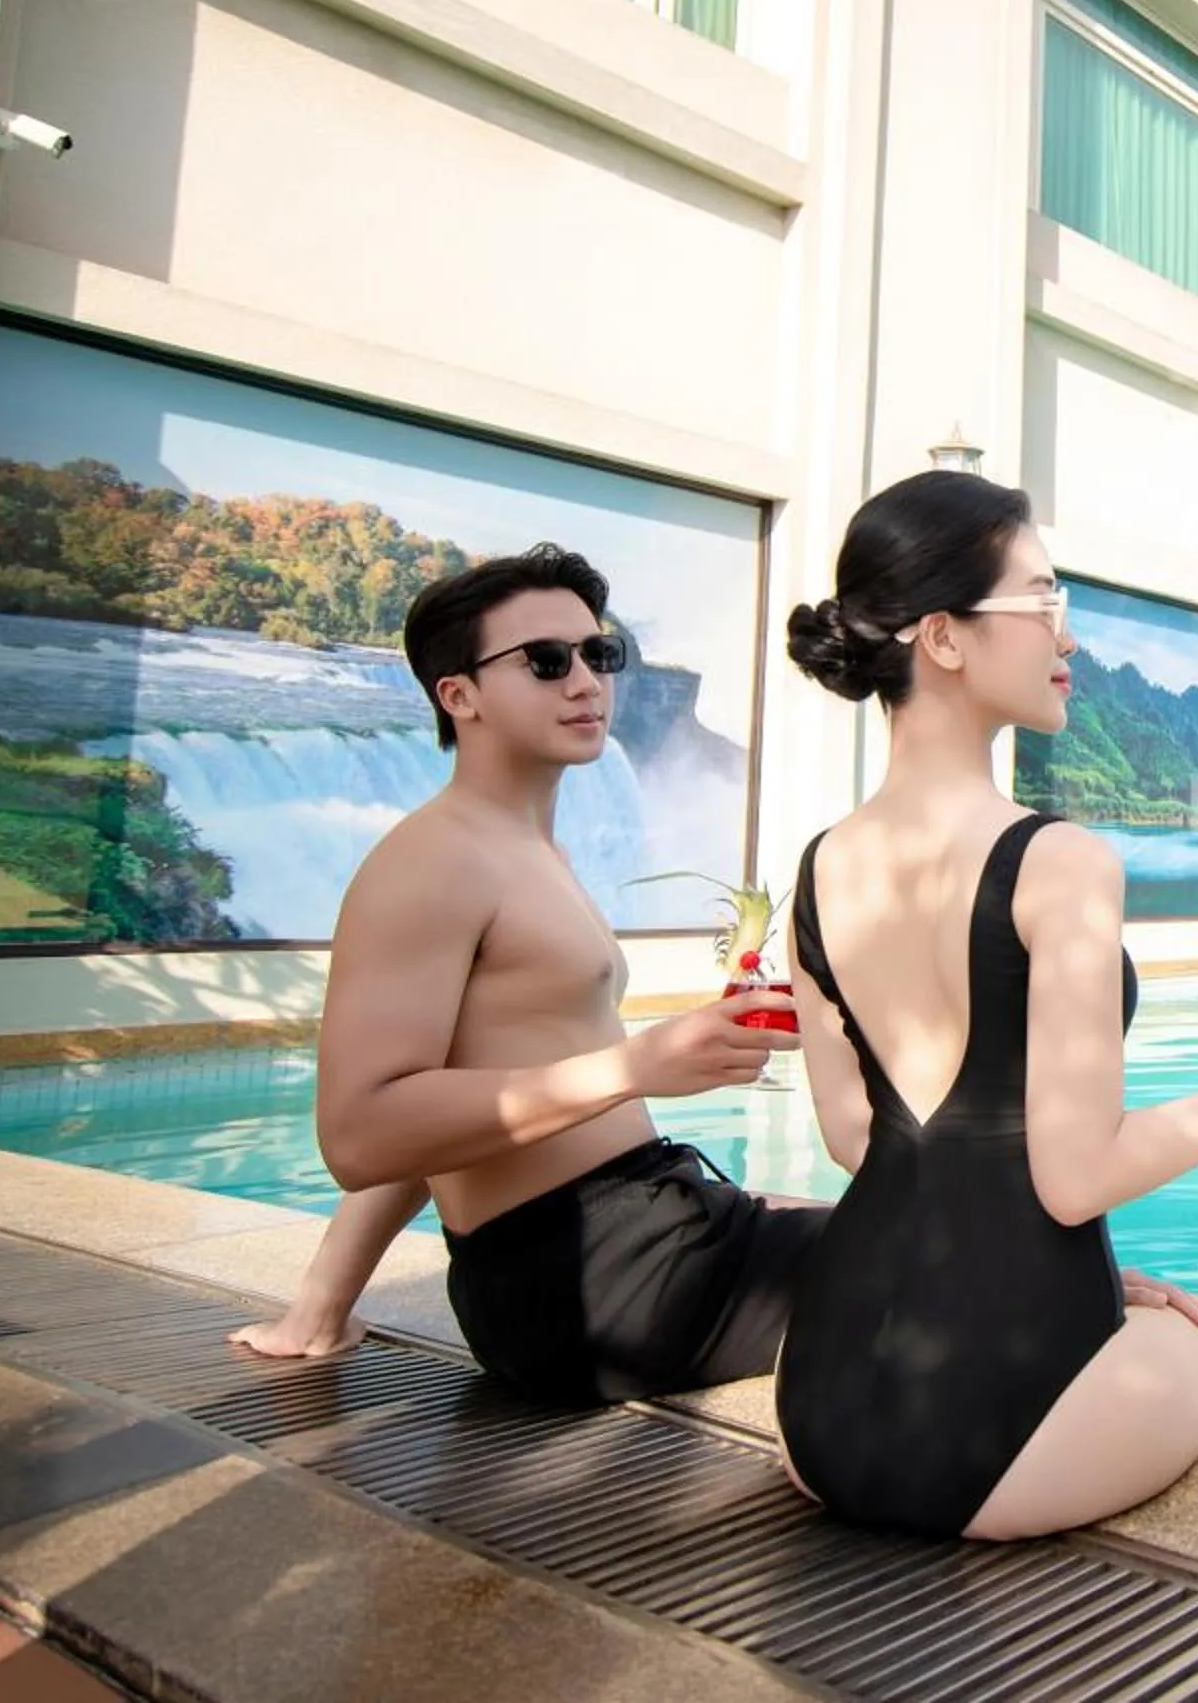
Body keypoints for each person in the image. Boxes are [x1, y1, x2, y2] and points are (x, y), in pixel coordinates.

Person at [774, 472, 1198, 1541]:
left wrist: (1082, 1273)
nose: (1067, 631)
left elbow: (856, 1139)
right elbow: (1074, 1177)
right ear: (946, 638)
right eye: (1041, 597)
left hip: (817, 1409)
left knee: (1140, 1302)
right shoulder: (1059, 862)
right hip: (976, 1443)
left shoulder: (821, 867)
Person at [230, 544, 822, 1405]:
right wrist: (636, 1066)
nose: (585, 681)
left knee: (940, 1236)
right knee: (988, 1280)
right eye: (546, 661)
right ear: (458, 694)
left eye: (599, 654)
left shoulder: (529, 848)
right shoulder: (432, 862)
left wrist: (321, 1310)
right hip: (594, 1282)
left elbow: (441, 1108)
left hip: (632, 1235)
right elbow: (360, 1135)